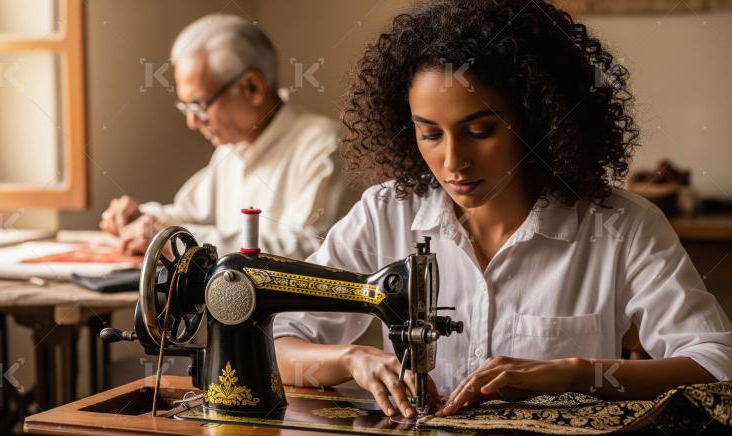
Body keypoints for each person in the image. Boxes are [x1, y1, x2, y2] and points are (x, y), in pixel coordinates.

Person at [273, 0, 732, 420]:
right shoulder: (384, 214)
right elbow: (277, 342)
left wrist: (578, 374)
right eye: (430, 133)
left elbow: (717, 363)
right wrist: (352, 359)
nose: (453, 162)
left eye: (480, 130)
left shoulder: (621, 226)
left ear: (536, 120)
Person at [100, 14, 353, 258]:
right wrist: (140, 218)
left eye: (199, 105)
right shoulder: (233, 148)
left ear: (252, 87)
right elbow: (189, 214)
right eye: (186, 107)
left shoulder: (324, 146)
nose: (192, 122)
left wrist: (173, 239)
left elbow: (310, 250)